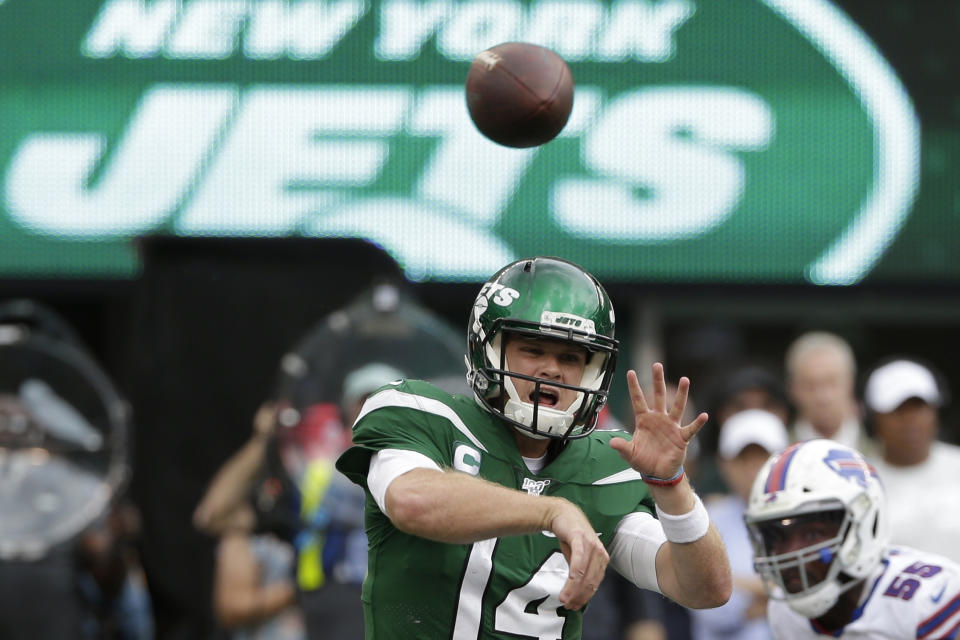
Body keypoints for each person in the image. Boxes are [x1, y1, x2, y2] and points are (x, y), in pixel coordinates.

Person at [335, 256, 733, 639]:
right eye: (533, 349)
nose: (552, 369)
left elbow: (706, 589)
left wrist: (672, 485)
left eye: (570, 356)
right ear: (487, 349)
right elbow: (412, 500)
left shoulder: (605, 464)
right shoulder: (421, 413)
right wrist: (553, 511)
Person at [744, 438, 960, 639]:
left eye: (812, 534)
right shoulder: (786, 613)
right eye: (778, 537)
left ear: (864, 525)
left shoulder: (929, 599)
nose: (791, 552)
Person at [690, 409, 788, 640]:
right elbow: (710, 607)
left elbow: (816, 602)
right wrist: (776, 591)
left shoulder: (806, 519)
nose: (753, 469)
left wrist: (741, 584)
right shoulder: (706, 519)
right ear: (724, 464)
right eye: (743, 459)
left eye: (762, 457)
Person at [862, 358, 960, 564]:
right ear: (874, 418)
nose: (910, 420)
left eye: (918, 407)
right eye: (898, 410)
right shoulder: (861, 483)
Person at [784, 332, 875, 457]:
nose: (822, 397)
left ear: (850, 383)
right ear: (793, 389)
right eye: (810, 386)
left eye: (832, 383)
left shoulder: (879, 452)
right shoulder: (777, 453)